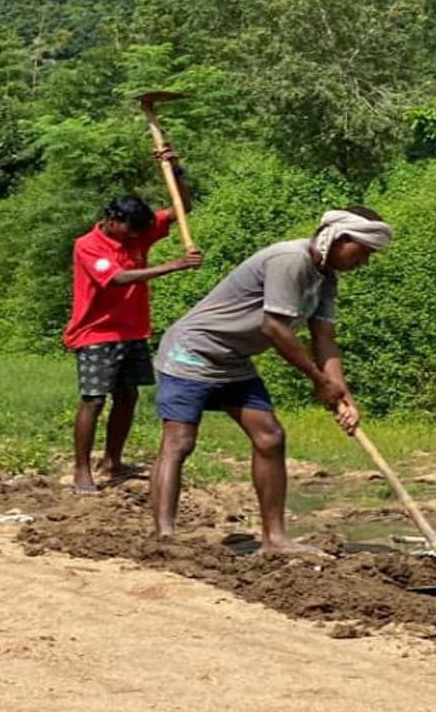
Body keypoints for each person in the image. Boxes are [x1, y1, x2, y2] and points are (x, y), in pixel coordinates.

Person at [149, 207, 392, 553]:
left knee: (269, 437)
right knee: (180, 441)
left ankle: (274, 538)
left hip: (233, 360)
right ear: (339, 239)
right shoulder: (290, 260)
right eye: (363, 251)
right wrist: (318, 381)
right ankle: (164, 537)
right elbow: (274, 328)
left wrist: (342, 395)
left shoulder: (325, 278)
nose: (364, 261)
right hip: (192, 352)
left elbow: (324, 338)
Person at [63, 187, 201, 495]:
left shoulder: (136, 231)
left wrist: (174, 169)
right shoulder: (88, 246)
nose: (134, 237)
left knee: (128, 396)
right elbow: (117, 278)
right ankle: (81, 469)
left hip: (132, 330)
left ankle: (113, 461)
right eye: (129, 230)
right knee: (94, 400)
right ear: (113, 220)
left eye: (139, 231)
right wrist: (174, 265)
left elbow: (182, 207)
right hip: (96, 332)